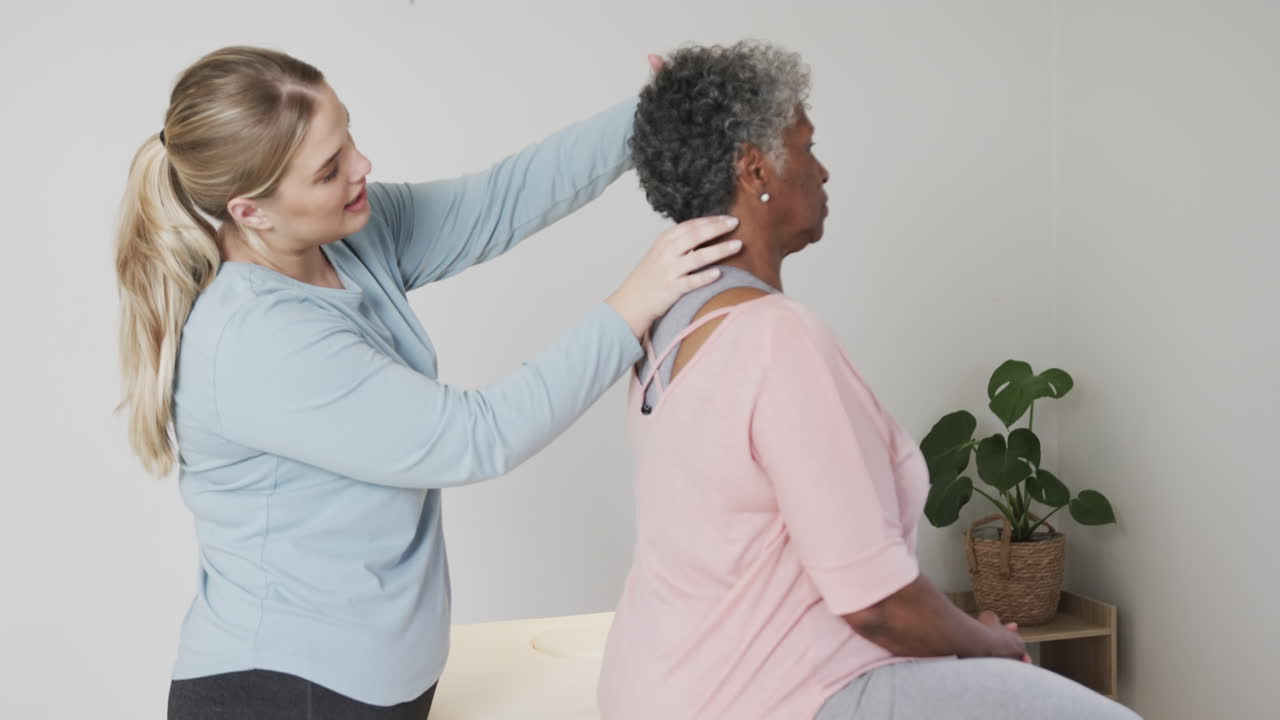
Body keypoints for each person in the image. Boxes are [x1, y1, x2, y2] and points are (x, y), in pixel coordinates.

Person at [113, 45, 742, 719]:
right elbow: (479, 437)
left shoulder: (345, 237)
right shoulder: (257, 340)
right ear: (252, 212)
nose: (361, 167)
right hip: (284, 693)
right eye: (329, 170)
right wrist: (634, 305)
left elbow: (500, 201)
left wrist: (647, 116)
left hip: (362, 686)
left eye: (347, 137)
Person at [597, 40, 1141, 720]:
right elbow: (877, 605)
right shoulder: (776, 337)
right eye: (807, 146)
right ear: (755, 168)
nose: (822, 171)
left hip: (655, 685)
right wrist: (988, 643)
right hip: (776, 698)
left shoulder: (661, 330)